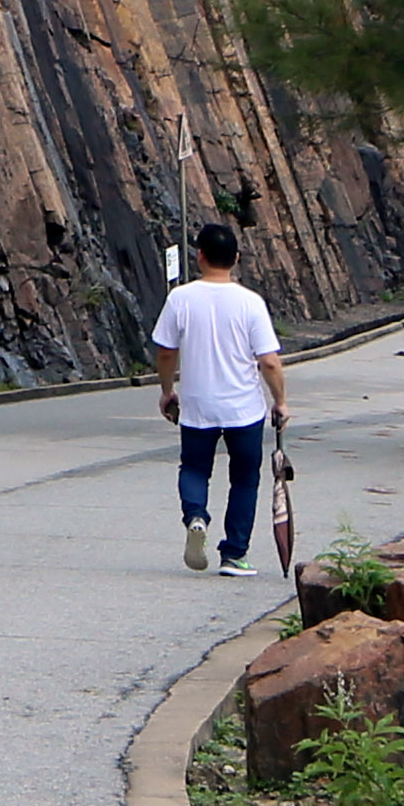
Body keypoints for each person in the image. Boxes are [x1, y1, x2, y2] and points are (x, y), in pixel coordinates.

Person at [149, 221, 290, 574]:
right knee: (244, 479)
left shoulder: (180, 298)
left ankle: (196, 516)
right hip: (244, 409)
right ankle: (234, 554)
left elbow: (166, 351)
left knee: (195, 468)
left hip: (197, 406)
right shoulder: (250, 302)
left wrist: (167, 392)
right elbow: (269, 362)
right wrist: (281, 401)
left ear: (199, 256)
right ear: (236, 259)